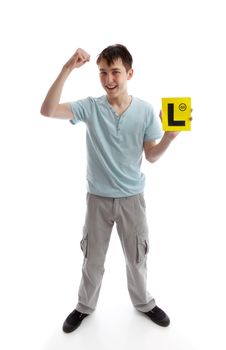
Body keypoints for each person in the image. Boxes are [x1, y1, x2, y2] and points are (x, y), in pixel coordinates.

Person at [40, 44, 180, 333]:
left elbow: (151, 156)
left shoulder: (145, 111)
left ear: (129, 73)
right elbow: (48, 110)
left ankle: (144, 303)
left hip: (132, 199)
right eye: (102, 72)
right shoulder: (90, 107)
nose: (108, 79)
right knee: (92, 258)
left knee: (137, 257)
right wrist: (67, 68)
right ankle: (84, 306)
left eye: (115, 72)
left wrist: (169, 137)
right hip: (98, 199)